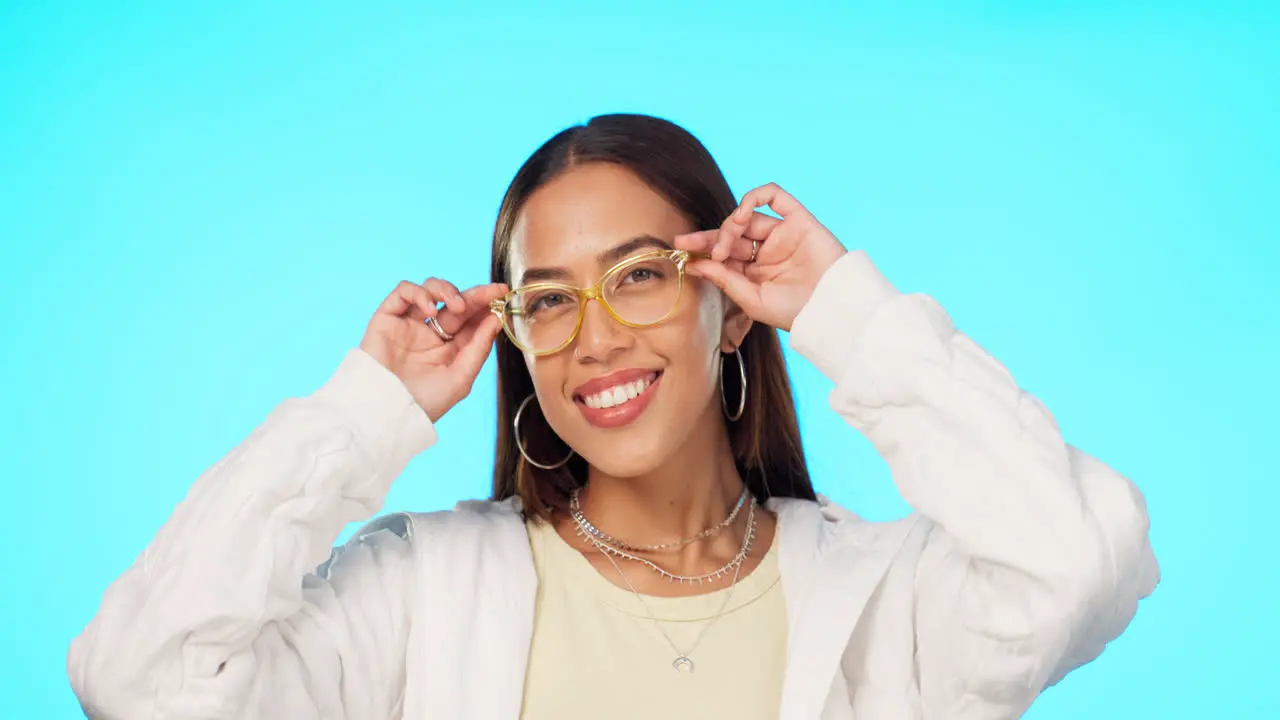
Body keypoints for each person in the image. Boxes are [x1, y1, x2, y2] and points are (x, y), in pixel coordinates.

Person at [67, 113, 1159, 719]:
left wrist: (843, 312)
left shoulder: (882, 602)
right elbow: (140, 682)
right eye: (548, 299)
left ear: (727, 310)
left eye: (637, 275)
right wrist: (365, 410)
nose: (592, 337)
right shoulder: (419, 593)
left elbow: (1073, 562)